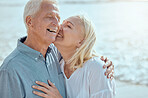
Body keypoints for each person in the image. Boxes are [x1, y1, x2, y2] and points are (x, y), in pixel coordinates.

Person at [0, 0, 114, 98]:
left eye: (58, 18)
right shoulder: (10, 69)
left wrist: (102, 63)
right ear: (30, 21)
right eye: (49, 17)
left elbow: (84, 54)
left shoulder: (56, 55)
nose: (57, 25)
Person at [32, 15, 115, 98]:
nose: (59, 27)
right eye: (62, 23)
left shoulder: (96, 68)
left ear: (81, 42)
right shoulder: (56, 64)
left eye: (68, 26)